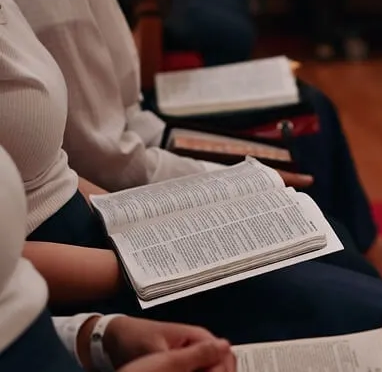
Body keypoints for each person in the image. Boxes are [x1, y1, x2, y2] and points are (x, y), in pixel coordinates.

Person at [3, 0, 382, 372]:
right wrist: (152, 258)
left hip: (95, 226)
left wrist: (208, 196)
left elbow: (61, 167)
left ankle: (378, 260)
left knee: (316, 226)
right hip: (78, 264)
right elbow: (109, 155)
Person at [0, 144, 235, 372]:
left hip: (67, 313)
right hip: (79, 269)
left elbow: (55, 173)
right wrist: (141, 266)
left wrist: (101, 336)